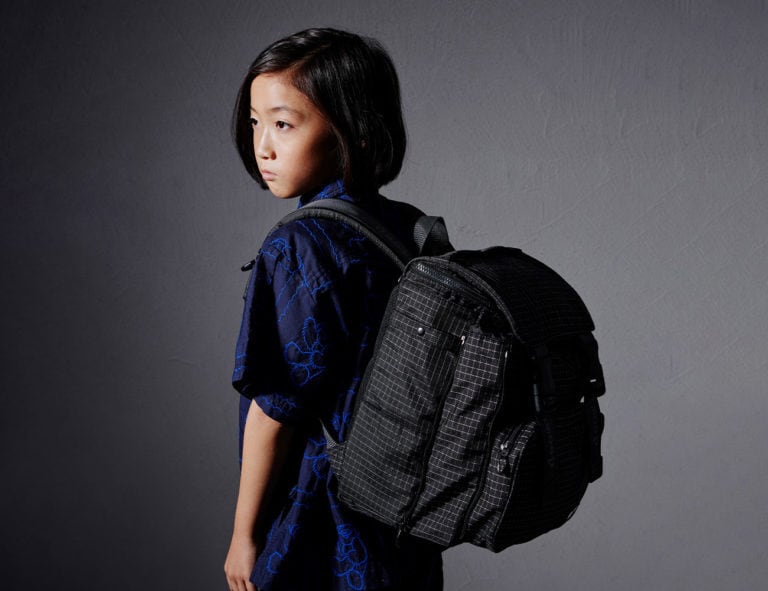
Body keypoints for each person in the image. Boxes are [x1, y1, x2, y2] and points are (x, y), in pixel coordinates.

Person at [224, 28, 444, 591]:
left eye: (283, 124)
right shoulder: (411, 228)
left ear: (356, 131)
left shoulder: (299, 244)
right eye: (255, 121)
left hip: (320, 512)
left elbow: (276, 408)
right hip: (400, 513)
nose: (263, 146)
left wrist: (244, 535)